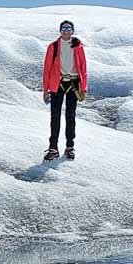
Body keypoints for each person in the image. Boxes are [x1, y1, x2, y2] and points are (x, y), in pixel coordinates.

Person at [41, 20, 88, 161]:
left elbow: (83, 68)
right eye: (64, 29)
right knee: (55, 116)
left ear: (72, 31)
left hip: (74, 83)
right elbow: (47, 68)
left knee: (70, 116)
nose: (66, 31)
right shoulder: (53, 47)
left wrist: (84, 88)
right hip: (57, 83)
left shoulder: (78, 46)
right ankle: (53, 147)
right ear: (60, 31)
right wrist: (45, 89)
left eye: (69, 29)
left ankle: (69, 146)